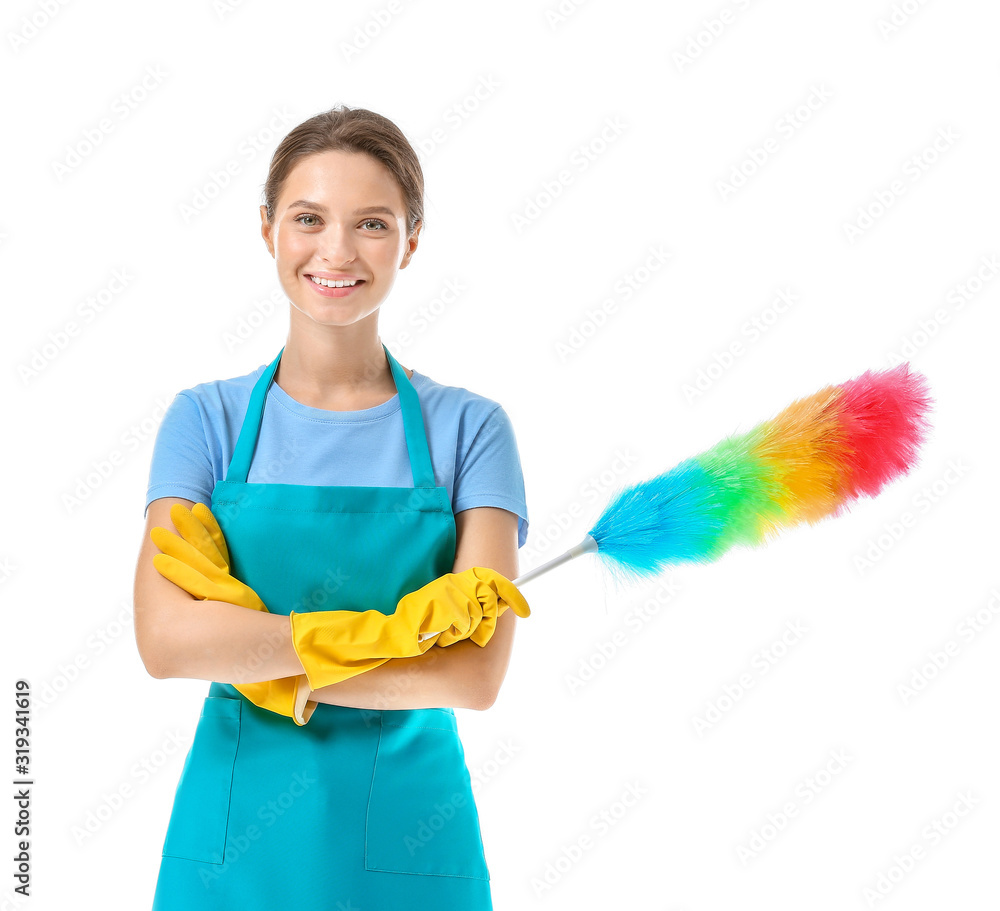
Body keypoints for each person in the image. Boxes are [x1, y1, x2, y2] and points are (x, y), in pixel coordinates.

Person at [132, 104, 531, 910]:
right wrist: (378, 641)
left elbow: (476, 671)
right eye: (309, 218)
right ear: (269, 229)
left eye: (373, 223)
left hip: (410, 839)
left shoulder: (470, 430)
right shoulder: (205, 421)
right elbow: (168, 639)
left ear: (411, 241)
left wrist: (267, 662)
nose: (337, 251)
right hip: (233, 845)